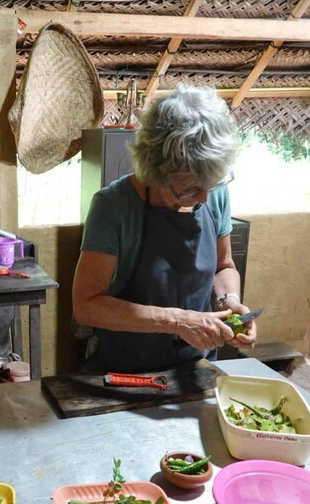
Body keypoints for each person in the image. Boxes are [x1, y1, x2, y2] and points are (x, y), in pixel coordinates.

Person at [72, 83, 257, 373]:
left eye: (211, 185)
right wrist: (177, 320)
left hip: (196, 365)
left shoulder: (212, 192)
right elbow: (86, 306)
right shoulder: (113, 207)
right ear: (155, 171)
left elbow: (224, 266)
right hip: (126, 370)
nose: (204, 198)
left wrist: (229, 301)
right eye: (190, 189)